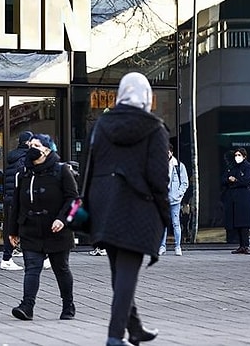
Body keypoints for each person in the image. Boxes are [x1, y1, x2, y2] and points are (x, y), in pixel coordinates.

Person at [85, 72, 167, 346]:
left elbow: (90, 168)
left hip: (103, 206)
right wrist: (165, 214)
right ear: (145, 96)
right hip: (138, 209)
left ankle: (135, 328)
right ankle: (114, 335)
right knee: (126, 275)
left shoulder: (102, 125)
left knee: (118, 273)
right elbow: (159, 179)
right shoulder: (154, 128)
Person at [7, 133, 79, 321]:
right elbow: (17, 203)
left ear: (47, 150)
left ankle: (68, 305)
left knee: (61, 268)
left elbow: (75, 200)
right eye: (30, 145)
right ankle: (27, 306)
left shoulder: (62, 171)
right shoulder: (24, 173)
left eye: (36, 145)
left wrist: (63, 219)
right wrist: (12, 230)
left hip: (57, 231)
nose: (32, 148)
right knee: (32, 267)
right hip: (31, 229)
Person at [1, 131, 33, 271]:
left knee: (12, 228)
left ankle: (7, 258)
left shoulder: (13, 158)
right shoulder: (25, 158)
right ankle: (7, 258)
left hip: (10, 197)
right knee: (26, 227)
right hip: (19, 198)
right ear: (27, 143)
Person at [221, 147, 250, 255]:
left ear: (244, 156)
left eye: (239, 155)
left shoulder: (248, 167)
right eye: (236, 155)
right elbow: (223, 179)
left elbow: (246, 180)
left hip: (244, 198)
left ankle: (246, 246)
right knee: (237, 222)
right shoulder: (233, 167)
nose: (237, 157)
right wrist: (228, 180)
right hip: (233, 198)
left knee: (244, 223)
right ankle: (241, 246)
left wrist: (235, 180)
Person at [159, 144, 189, 256]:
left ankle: (178, 246)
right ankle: (162, 246)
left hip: (175, 200)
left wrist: (179, 194)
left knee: (176, 223)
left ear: (171, 152)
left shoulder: (179, 166)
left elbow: (185, 183)